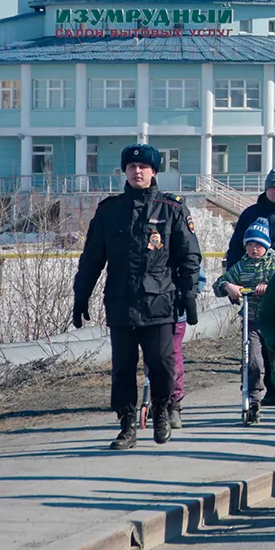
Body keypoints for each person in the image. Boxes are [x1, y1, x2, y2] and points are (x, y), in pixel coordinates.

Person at [72, 144, 201, 450]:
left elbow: (189, 256)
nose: (137, 171)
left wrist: (190, 295)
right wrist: (81, 296)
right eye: (132, 167)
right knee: (122, 368)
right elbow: (92, 258)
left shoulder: (172, 209)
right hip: (121, 302)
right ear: (125, 172)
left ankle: (160, 411)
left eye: (143, 167)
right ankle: (127, 425)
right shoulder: (109, 211)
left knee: (161, 362)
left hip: (160, 302)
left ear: (154, 171)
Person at [214, 222, 275, 425]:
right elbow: (218, 284)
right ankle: (253, 400)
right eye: (250, 244)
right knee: (252, 360)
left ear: (266, 246)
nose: (254, 249)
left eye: (259, 245)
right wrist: (229, 286)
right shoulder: (242, 265)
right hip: (252, 320)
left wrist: (270, 286)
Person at [225, 166, 275, 273]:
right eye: (272, 188)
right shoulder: (250, 214)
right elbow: (236, 248)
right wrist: (231, 276)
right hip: (256, 277)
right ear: (266, 190)